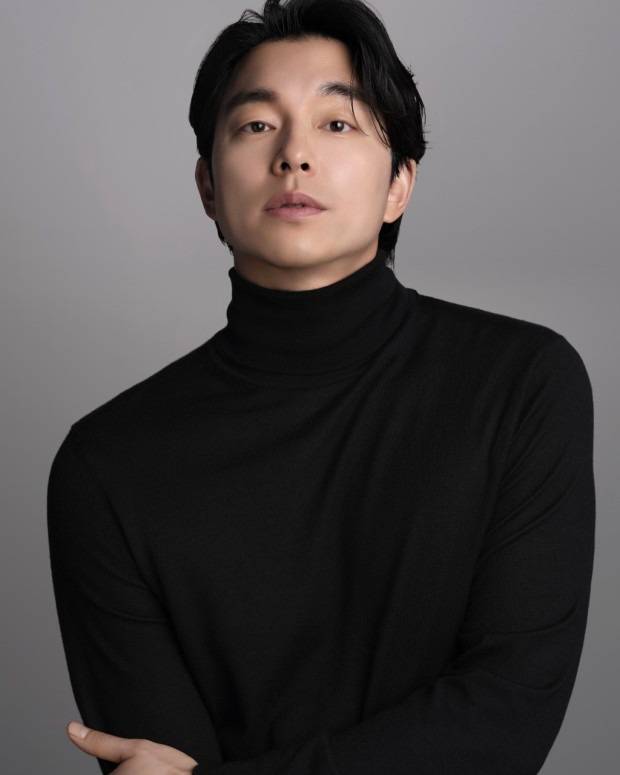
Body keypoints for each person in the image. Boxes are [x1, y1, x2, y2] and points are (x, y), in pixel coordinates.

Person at [47, 1, 596, 773]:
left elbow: (506, 717)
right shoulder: (107, 465)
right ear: (208, 187)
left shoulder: (520, 385)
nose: (294, 155)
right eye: (256, 125)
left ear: (399, 184)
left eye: (337, 123)